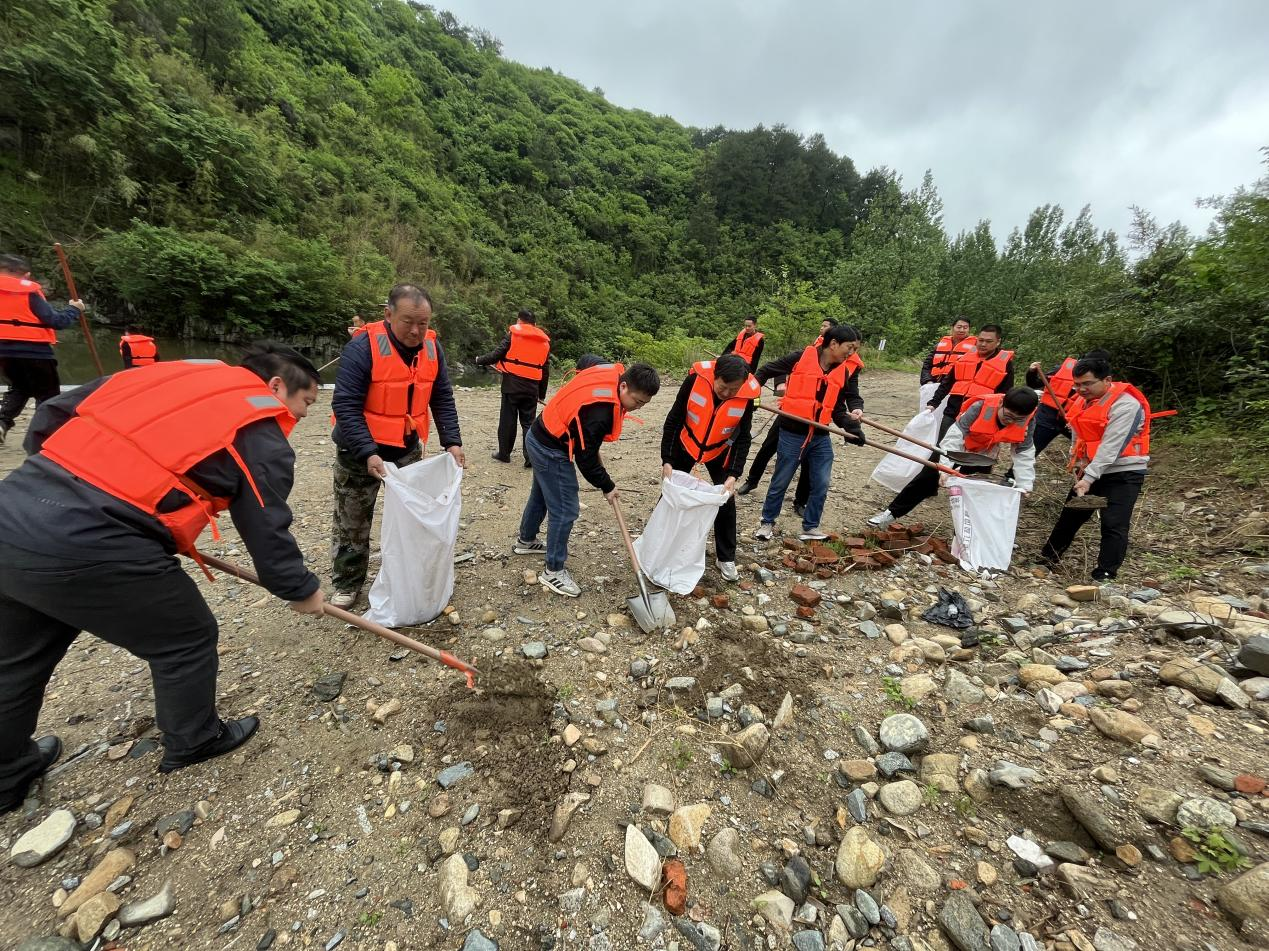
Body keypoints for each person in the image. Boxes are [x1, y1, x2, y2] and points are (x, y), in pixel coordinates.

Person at [0, 344, 325, 810]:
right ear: (275, 386)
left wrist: (62, 480)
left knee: (16, 660)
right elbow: (266, 526)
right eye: (306, 402)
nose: (305, 414)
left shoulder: (172, 374)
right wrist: (300, 589)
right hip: (97, 536)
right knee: (186, 637)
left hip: (13, 510)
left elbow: (53, 411)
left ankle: (7, 773)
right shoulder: (259, 428)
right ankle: (194, 739)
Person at [329, 284, 465, 609]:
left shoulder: (433, 348)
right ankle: (347, 582)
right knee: (353, 521)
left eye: (424, 323)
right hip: (359, 453)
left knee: (410, 518)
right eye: (408, 321)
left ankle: (406, 575)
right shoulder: (363, 346)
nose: (416, 330)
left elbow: (442, 397)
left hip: (406, 449)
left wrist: (453, 442)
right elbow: (345, 403)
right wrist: (367, 451)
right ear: (388, 315)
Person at [513, 362, 660, 597]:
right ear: (623, 385)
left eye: (644, 404)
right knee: (565, 509)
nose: (638, 408)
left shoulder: (611, 374)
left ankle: (526, 540)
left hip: (539, 434)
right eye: (638, 401)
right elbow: (586, 459)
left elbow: (587, 362)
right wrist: (607, 486)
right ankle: (553, 571)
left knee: (541, 494)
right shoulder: (599, 412)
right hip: (549, 447)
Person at [1037, 356, 1152, 582]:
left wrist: (1089, 478)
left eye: (1087, 384)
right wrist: (1077, 460)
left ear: (1107, 380)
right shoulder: (1083, 400)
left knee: (1114, 522)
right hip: (1091, 469)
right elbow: (1078, 432)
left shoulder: (1126, 405)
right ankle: (1048, 560)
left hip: (1123, 472)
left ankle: (1105, 573)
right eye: (1077, 384)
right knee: (1070, 515)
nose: (1081, 389)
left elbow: (1112, 446)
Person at [752, 325, 865, 542]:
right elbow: (765, 370)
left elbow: (838, 409)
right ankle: (767, 522)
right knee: (781, 480)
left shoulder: (844, 371)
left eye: (854, 349)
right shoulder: (800, 358)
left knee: (821, 483)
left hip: (820, 436)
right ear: (833, 344)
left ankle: (810, 527)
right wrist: (751, 392)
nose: (851, 354)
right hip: (792, 433)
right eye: (849, 348)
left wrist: (852, 429)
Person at [867, 387, 1039, 529]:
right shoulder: (981, 407)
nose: (1011, 422)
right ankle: (890, 514)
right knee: (926, 480)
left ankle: (970, 533)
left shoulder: (1028, 420)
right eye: (1008, 416)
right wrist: (945, 468)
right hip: (957, 448)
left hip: (983, 455)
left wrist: (1025, 483)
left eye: (1018, 419)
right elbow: (954, 437)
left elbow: (1024, 453)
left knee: (975, 491)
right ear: (1001, 402)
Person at [659, 354, 759, 582]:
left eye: (733, 390)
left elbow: (743, 437)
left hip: (718, 449)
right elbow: (674, 419)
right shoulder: (694, 381)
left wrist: (734, 474)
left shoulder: (747, 397)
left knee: (725, 498)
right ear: (715, 377)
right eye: (723, 388)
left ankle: (726, 557)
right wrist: (667, 459)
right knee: (672, 493)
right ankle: (660, 545)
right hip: (688, 442)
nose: (726, 394)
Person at [736, 317, 839, 497]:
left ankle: (800, 500)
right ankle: (751, 481)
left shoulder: (842, 362)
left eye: (826, 326)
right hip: (791, 412)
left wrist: (853, 412)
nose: (821, 328)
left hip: (817, 420)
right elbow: (777, 367)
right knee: (768, 446)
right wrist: (779, 384)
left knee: (809, 460)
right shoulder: (809, 352)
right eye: (821, 325)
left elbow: (846, 393)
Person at [0, 253, 86, 445]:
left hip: (4, 354)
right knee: (47, 394)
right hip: (34, 352)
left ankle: (2, 422)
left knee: (19, 388)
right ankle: (45, 434)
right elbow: (56, 321)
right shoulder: (28, 292)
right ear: (24, 274)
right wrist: (75, 309)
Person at [474, 309, 551, 467]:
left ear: (519, 321)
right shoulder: (544, 342)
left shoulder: (513, 335)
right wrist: (541, 394)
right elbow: (545, 370)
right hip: (531, 389)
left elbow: (496, 355)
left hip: (512, 386)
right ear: (535, 325)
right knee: (528, 423)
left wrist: (478, 360)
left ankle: (504, 454)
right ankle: (530, 458)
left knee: (508, 420)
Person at [922, 324, 1014, 440]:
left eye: (989, 341)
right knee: (941, 445)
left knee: (965, 450)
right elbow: (948, 382)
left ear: (998, 342)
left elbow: (1005, 394)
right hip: (953, 410)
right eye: (980, 340)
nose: (983, 344)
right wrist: (933, 403)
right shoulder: (966, 356)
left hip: (978, 414)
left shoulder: (1005, 363)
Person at [920, 317, 976, 385]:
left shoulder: (975, 347)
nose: (962, 330)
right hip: (935, 382)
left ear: (969, 329)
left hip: (957, 385)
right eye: (959, 327)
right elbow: (927, 365)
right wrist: (927, 381)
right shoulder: (941, 344)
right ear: (952, 328)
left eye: (965, 328)